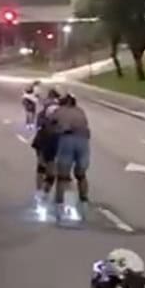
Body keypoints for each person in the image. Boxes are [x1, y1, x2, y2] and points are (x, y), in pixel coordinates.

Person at [50, 93, 92, 221]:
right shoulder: (81, 111)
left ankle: (59, 207)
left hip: (67, 140)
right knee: (81, 175)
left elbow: (51, 125)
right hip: (83, 141)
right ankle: (84, 203)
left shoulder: (59, 111)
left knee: (62, 176)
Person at [31, 87, 63, 204]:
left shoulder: (44, 110)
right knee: (49, 171)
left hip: (44, 142)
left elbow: (38, 125)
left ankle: (40, 192)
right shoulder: (56, 109)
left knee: (43, 168)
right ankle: (42, 193)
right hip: (48, 142)